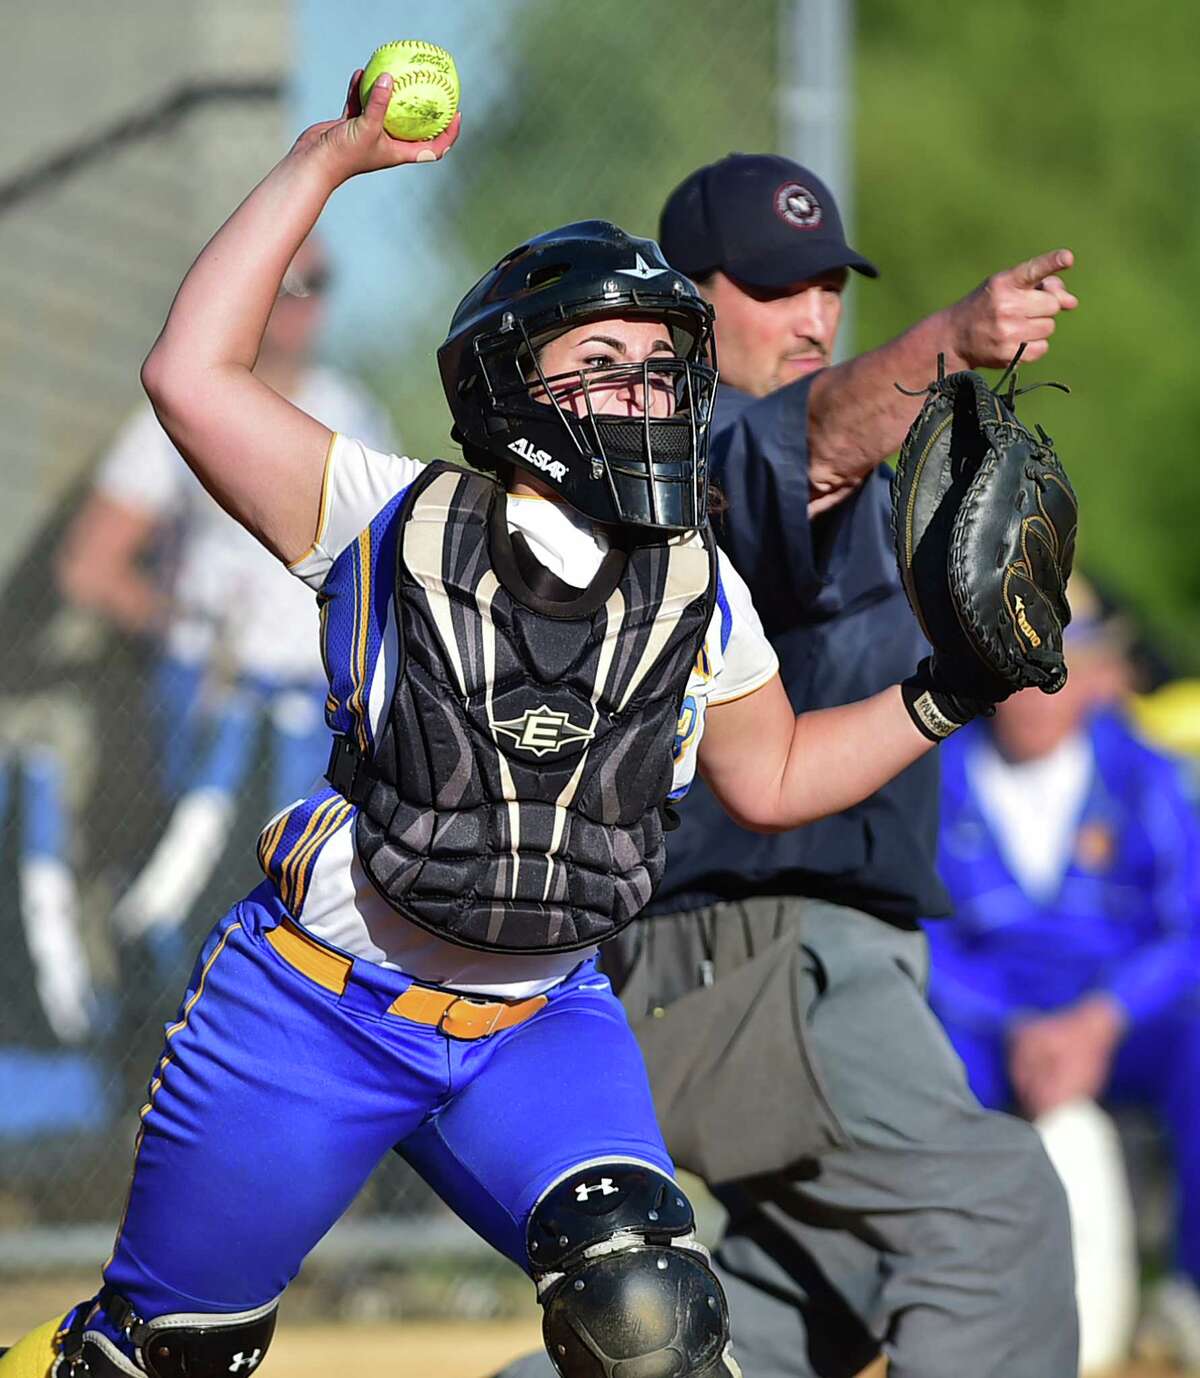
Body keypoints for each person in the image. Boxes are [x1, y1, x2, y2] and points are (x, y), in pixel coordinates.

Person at [0, 79, 1004, 1378]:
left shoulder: (694, 578)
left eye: (660, 365)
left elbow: (781, 772)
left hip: (537, 1022)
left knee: (655, 1322)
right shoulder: (392, 514)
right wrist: (329, 157)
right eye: (598, 363)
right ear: (504, 388)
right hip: (316, 1008)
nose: (638, 391)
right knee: (166, 1355)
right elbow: (188, 375)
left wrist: (956, 685)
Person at [497, 153, 1081, 1378]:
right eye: (772, 285)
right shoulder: (682, 458)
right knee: (993, 1210)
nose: (814, 313)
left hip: (802, 959)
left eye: (828, 281)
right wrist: (954, 343)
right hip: (754, 953)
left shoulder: (835, 481)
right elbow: (814, 441)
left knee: (789, 1302)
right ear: (688, 307)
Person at [56, 237, 395, 965]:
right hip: (215, 695)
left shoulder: (351, 412)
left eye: (318, 286)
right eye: (287, 284)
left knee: (316, 909)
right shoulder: (187, 409)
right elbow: (91, 565)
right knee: (189, 900)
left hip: (324, 703)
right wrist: (180, 628)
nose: (301, 307)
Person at [927, 592, 1200, 1369]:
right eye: (1017, 665)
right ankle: (938, 1295)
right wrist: (1012, 1029)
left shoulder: (1149, 776)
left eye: (1062, 664)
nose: (1038, 688)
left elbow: (1187, 929)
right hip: (987, 1024)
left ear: (1102, 675)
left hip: (1120, 1020)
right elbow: (917, 934)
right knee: (906, 1065)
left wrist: (1101, 1020)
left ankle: (1188, 1293)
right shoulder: (935, 777)